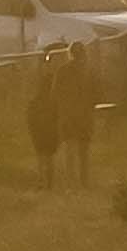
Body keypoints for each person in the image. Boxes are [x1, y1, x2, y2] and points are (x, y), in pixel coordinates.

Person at [54, 41, 100, 187]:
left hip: (68, 115)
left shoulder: (62, 71)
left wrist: (63, 107)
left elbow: (55, 93)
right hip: (85, 115)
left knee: (70, 149)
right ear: (84, 53)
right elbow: (97, 93)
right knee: (84, 151)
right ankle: (84, 182)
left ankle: (70, 182)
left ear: (70, 53)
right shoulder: (90, 71)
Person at [26, 48, 63, 189]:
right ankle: (48, 183)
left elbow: (30, 114)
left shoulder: (36, 99)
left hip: (40, 126)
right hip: (50, 126)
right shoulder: (54, 99)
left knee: (42, 156)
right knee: (49, 156)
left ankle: (42, 181)